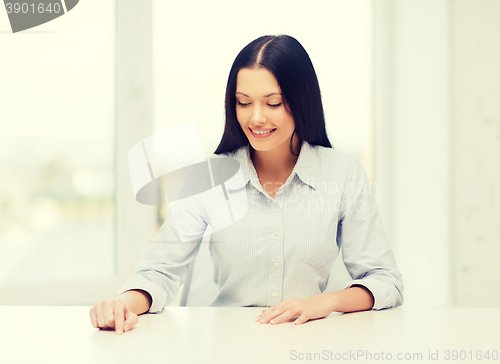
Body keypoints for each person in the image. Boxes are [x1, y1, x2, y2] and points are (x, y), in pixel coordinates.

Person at [89, 34, 404, 334]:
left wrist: (327, 301)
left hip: (308, 342)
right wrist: (122, 306)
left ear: (301, 101)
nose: (256, 118)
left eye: (273, 103)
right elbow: (160, 272)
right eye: (243, 102)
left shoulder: (342, 173)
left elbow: (384, 279)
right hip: (229, 344)